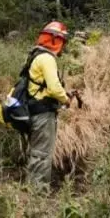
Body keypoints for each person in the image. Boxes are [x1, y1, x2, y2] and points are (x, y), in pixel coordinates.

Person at [24, 20, 76, 187]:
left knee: (36, 151)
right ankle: (38, 192)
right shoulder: (47, 58)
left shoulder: (36, 55)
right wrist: (65, 99)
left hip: (34, 110)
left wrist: (63, 93)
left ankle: (31, 189)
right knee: (42, 153)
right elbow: (53, 88)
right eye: (62, 41)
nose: (63, 46)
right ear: (55, 40)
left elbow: (44, 86)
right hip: (43, 113)